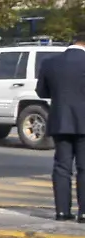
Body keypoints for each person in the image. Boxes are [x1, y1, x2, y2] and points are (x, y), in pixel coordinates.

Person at [34, 33, 85, 221]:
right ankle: (84, 212)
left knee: (62, 167)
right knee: (84, 167)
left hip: (60, 120)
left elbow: (41, 92)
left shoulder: (50, 62)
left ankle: (62, 212)